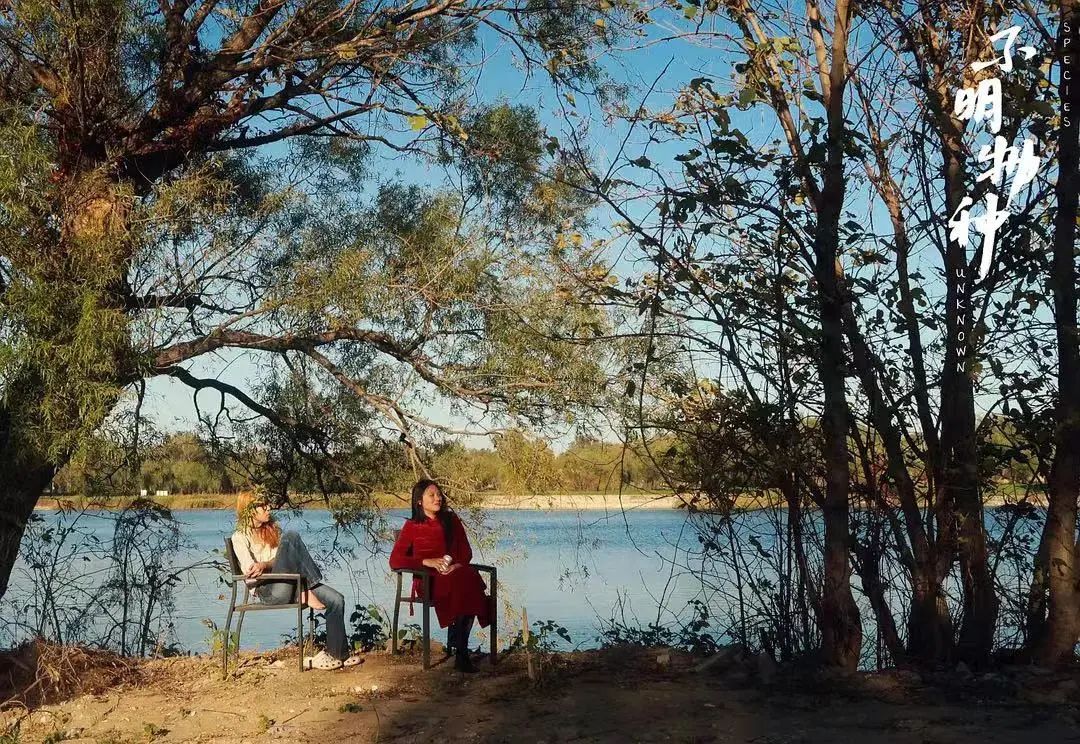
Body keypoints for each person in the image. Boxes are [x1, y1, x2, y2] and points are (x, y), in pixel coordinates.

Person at [230, 491, 362, 670]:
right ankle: (306, 589)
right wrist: (264, 566)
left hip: (292, 583)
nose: (268, 508)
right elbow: (250, 572)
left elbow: (285, 560)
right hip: (270, 591)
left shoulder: (271, 531)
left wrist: (266, 563)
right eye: (263, 505)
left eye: (267, 504)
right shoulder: (239, 537)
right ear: (250, 510)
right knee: (291, 536)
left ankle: (337, 653)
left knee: (336, 600)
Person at [389, 479, 491, 672]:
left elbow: (466, 552)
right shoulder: (412, 526)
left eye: (439, 494)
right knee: (465, 583)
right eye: (432, 495)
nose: (438, 498)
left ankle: (460, 649)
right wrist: (426, 562)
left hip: (453, 573)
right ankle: (460, 650)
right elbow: (395, 560)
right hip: (427, 579)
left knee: (468, 577)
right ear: (419, 501)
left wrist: (455, 564)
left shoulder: (451, 520)